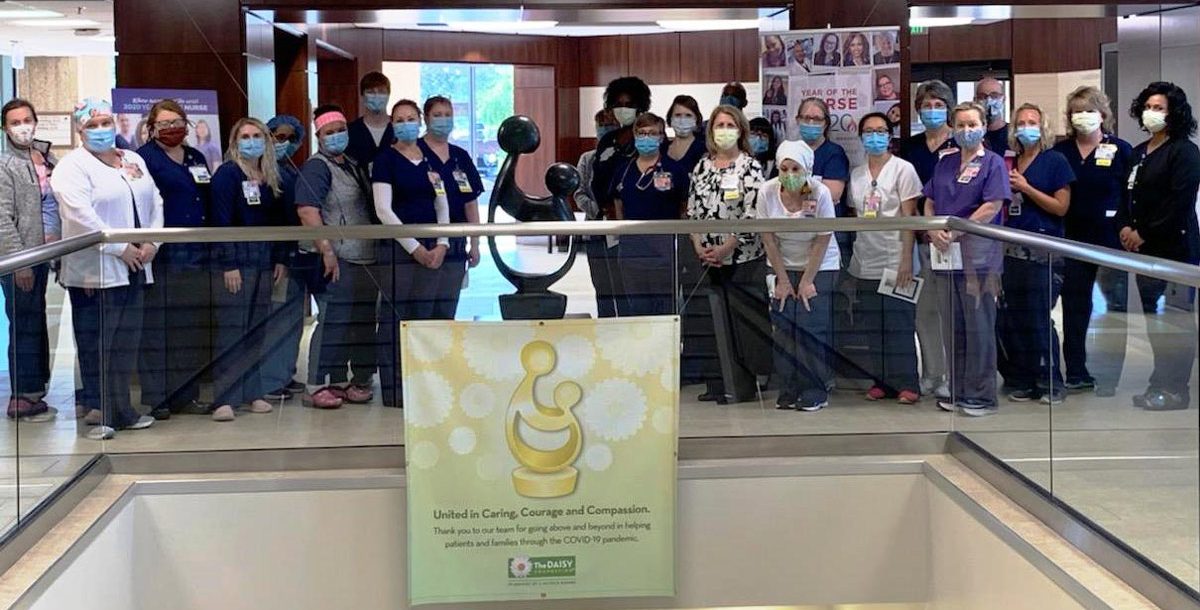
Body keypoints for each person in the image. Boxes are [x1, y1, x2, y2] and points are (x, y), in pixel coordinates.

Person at [52, 98, 161, 439]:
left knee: (126, 342)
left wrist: (152, 243)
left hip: (136, 265)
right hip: (94, 270)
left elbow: (153, 199)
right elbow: (80, 215)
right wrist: (119, 247)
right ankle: (101, 413)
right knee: (97, 344)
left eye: (105, 122)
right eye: (92, 125)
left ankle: (124, 410)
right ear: (79, 130)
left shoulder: (132, 158)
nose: (101, 130)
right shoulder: (71, 167)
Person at [1115, 81, 1200, 411]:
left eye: (1159, 107)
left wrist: (1144, 233)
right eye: (1148, 107)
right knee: (1154, 320)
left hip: (1175, 251)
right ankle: (1159, 381)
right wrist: (1123, 226)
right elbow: (1126, 197)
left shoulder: (1185, 152)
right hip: (1144, 254)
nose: (1152, 113)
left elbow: (1179, 203)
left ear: (1174, 113)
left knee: (1174, 323)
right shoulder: (1139, 153)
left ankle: (1175, 388)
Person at [923, 101, 1010, 417]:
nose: (966, 130)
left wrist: (957, 232)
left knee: (979, 326)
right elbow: (929, 201)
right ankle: (958, 390)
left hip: (979, 259)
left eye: (972, 124)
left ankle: (982, 395)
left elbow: (993, 205)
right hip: (946, 256)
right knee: (953, 325)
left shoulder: (994, 163)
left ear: (984, 126)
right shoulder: (945, 162)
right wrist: (934, 230)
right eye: (960, 125)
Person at [296, 104, 379, 410]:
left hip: (364, 255)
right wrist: (326, 249)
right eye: (329, 132)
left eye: (341, 130)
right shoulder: (317, 167)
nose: (336, 136)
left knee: (359, 321)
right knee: (333, 320)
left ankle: (348, 380)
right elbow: (307, 211)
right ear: (318, 136)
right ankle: (316, 383)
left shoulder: (352, 164)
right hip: (336, 257)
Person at [136, 99, 214, 420]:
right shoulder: (143, 159)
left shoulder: (195, 156)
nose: (172, 128)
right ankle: (158, 397)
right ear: (152, 128)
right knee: (159, 328)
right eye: (165, 124)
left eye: (177, 122)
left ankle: (187, 394)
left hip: (197, 254)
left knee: (191, 328)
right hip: (162, 255)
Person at [686, 104, 770, 403]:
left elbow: (752, 215)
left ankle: (742, 386)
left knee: (741, 325)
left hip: (742, 257)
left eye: (729, 125)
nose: (724, 131)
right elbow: (693, 210)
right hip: (707, 257)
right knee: (710, 320)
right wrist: (699, 246)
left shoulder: (750, 167)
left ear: (740, 130)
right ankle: (716, 383)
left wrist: (726, 247)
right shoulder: (702, 166)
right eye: (719, 125)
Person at [1053, 86, 1133, 397]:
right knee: (1075, 308)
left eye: (1088, 110)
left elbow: (1131, 195)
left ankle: (1110, 377)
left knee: (1116, 310)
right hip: (1071, 241)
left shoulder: (1121, 149)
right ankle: (1076, 370)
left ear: (1102, 115)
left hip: (1111, 242)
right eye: (1076, 111)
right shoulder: (1060, 153)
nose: (1081, 117)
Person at [209, 117, 290, 422]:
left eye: (257, 135)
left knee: (257, 328)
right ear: (235, 142)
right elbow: (221, 221)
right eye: (245, 136)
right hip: (236, 262)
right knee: (233, 328)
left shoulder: (269, 175)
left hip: (265, 261)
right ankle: (225, 397)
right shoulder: (227, 175)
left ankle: (252, 391)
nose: (252, 141)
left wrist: (280, 258)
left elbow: (278, 222)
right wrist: (229, 263)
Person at [372, 99, 451, 408]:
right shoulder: (386, 160)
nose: (406, 123)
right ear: (393, 124)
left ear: (420, 121)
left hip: (433, 251)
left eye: (411, 118)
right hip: (400, 253)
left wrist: (442, 243)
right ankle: (395, 390)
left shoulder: (429, 158)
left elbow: (441, 202)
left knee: (424, 320)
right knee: (396, 320)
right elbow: (383, 210)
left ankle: (423, 385)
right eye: (399, 119)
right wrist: (416, 248)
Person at [1001, 102, 1074, 405]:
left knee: (1039, 317)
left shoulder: (1054, 161)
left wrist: (1027, 188)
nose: (1026, 127)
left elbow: (1061, 207)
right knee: (1015, 319)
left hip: (1044, 252)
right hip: (1012, 253)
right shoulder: (1010, 162)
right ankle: (1026, 379)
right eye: (1021, 122)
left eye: (1032, 122)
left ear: (1042, 127)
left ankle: (1051, 381)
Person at [846, 112, 921, 404]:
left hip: (896, 258)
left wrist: (906, 261)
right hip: (866, 259)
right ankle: (881, 382)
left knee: (899, 324)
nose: (874, 136)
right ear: (861, 137)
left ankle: (907, 383)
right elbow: (855, 216)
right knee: (873, 326)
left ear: (889, 135)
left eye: (880, 130)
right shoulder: (856, 173)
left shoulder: (904, 169)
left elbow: (909, 218)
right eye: (868, 131)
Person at [760, 140, 840, 412]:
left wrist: (806, 281)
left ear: (807, 169)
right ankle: (788, 387)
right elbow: (768, 239)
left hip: (819, 265)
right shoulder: (767, 192)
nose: (790, 174)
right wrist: (782, 279)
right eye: (784, 168)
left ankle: (815, 388)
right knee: (783, 328)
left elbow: (823, 238)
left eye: (796, 168)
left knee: (810, 328)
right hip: (781, 264)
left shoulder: (821, 193)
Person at [897, 79, 957, 400]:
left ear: (948, 108)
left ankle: (953, 374)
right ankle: (932, 372)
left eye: (938, 105)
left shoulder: (960, 143)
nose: (932, 111)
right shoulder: (912, 147)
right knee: (924, 311)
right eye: (926, 105)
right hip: (920, 239)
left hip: (952, 240)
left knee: (950, 310)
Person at [0, 99, 58, 421]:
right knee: (23, 323)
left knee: (35, 321)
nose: (22, 126)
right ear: (5, 128)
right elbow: (2, 218)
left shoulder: (47, 158)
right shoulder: (4, 165)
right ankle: (21, 395)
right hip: (20, 258)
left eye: (26, 119)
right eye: (14, 122)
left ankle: (36, 391)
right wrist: (19, 261)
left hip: (44, 255)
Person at [610, 113, 687, 316]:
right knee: (637, 311)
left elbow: (684, 206)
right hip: (631, 254)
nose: (646, 138)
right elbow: (617, 201)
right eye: (642, 133)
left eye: (652, 133)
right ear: (634, 135)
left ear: (662, 137)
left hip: (664, 254)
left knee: (665, 312)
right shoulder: (623, 170)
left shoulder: (674, 170)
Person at [418, 95, 485, 319]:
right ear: (426, 118)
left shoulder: (459, 157)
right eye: (437, 115)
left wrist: (475, 243)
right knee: (422, 307)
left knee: (447, 307)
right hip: (424, 241)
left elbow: (471, 202)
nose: (443, 120)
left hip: (456, 242)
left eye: (448, 115)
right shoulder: (414, 152)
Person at [591, 77, 651, 318]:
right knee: (606, 287)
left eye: (629, 103)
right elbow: (597, 182)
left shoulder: (648, 141)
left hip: (640, 226)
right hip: (608, 223)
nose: (623, 109)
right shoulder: (607, 141)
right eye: (618, 103)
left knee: (635, 293)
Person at [260, 113, 308, 401]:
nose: (286, 143)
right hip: (275, 258)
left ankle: (285, 374)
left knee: (293, 320)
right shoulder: (262, 172)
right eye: (280, 137)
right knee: (277, 320)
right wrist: (279, 256)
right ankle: (271, 380)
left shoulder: (291, 169)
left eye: (292, 138)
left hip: (295, 255)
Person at [577, 108, 622, 318]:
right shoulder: (587, 159)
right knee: (601, 284)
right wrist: (598, 211)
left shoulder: (624, 157)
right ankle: (604, 322)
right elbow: (578, 192)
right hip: (594, 229)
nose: (605, 130)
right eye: (601, 126)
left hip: (619, 229)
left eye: (610, 126)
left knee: (620, 282)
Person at [796, 97, 852, 265]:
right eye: (806, 118)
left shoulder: (833, 153)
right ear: (797, 120)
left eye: (817, 119)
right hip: (794, 233)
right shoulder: (790, 151)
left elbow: (832, 195)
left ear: (826, 123)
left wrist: (798, 189)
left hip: (827, 232)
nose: (811, 122)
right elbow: (778, 193)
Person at [346, 71, 396, 167]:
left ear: (388, 95)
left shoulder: (399, 129)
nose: (376, 96)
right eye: (371, 92)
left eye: (381, 92)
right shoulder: (350, 131)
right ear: (362, 96)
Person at [664, 95, 707, 178]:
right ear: (670, 118)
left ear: (696, 119)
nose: (682, 120)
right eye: (678, 115)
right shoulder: (662, 148)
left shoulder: (703, 149)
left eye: (688, 115)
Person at [976, 77, 1009, 154]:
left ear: (1003, 99)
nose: (989, 101)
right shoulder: (972, 134)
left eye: (994, 96)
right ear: (976, 100)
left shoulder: (1012, 135)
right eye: (983, 97)